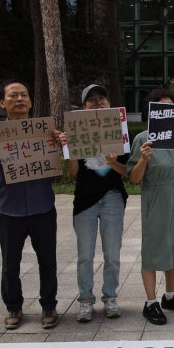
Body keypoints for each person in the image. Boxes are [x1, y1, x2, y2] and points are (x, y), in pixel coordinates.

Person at [0, 80, 60, 330]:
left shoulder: (44, 130)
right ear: (2, 102)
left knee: (48, 261)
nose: (19, 99)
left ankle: (49, 305)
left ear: (30, 101)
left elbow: (66, 162)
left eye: (24, 95)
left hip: (43, 207)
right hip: (10, 210)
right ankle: (13, 306)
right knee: (10, 263)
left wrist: (62, 143)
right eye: (13, 95)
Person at [126, 88, 174, 325]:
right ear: (152, 112)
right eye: (162, 108)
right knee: (153, 248)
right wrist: (143, 159)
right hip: (156, 198)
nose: (168, 112)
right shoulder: (144, 139)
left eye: (172, 107)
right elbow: (134, 178)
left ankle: (170, 295)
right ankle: (150, 303)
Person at [67, 85, 128, 322]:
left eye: (102, 99)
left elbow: (126, 172)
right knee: (85, 255)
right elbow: (74, 173)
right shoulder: (77, 130)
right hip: (85, 200)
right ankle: (85, 300)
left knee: (112, 253)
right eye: (91, 100)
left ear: (109, 103)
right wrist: (70, 150)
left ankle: (110, 296)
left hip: (112, 196)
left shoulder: (119, 132)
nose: (97, 103)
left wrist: (113, 162)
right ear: (84, 107)